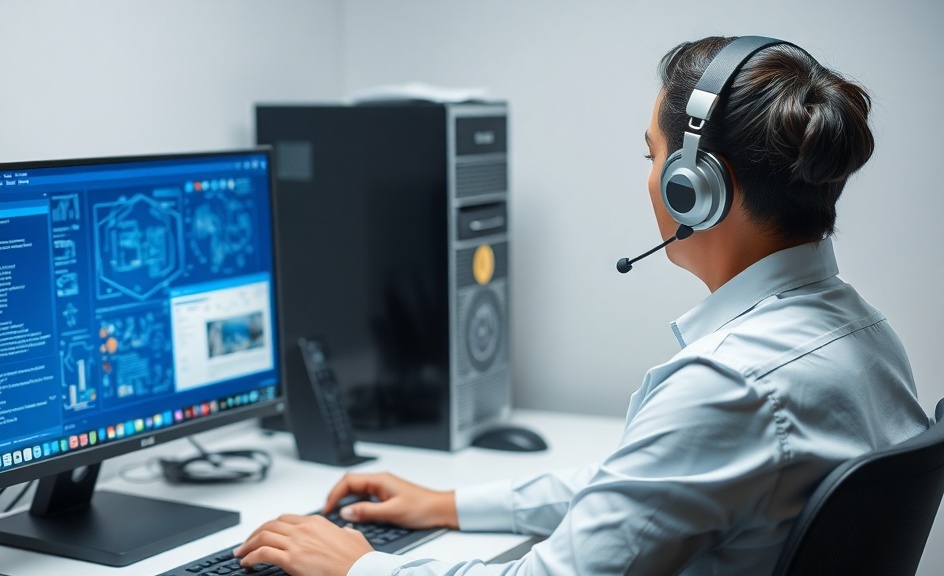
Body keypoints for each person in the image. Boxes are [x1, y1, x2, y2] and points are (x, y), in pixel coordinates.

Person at [233, 35, 928, 575]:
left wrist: (359, 566)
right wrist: (447, 504)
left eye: (652, 157)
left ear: (695, 190)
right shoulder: (864, 334)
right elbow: (641, 487)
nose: (650, 179)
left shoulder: (729, 387)